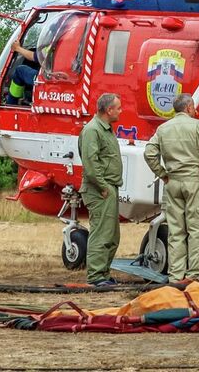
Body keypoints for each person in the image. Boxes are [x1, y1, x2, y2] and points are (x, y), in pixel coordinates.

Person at [144, 93, 199, 283]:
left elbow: (149, 153)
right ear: (188, 108)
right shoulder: (198, 126)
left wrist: (162, 173)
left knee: (176, 230)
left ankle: (176, 276)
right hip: (194, 180)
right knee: (197, 229)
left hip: (173, 182)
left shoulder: (163, 128)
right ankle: (193, 275)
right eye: (193, 108)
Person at [76, 92, 125, 288]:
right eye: (118, 108)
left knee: (112, 235)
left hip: (108, 187)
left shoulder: (104, 129)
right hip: (100, 189)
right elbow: (90, 162)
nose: (121, 111)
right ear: (108, 110)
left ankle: (103, 273)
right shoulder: (92, 130)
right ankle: (96, 276)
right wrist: (102, 187)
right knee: (101, 233)